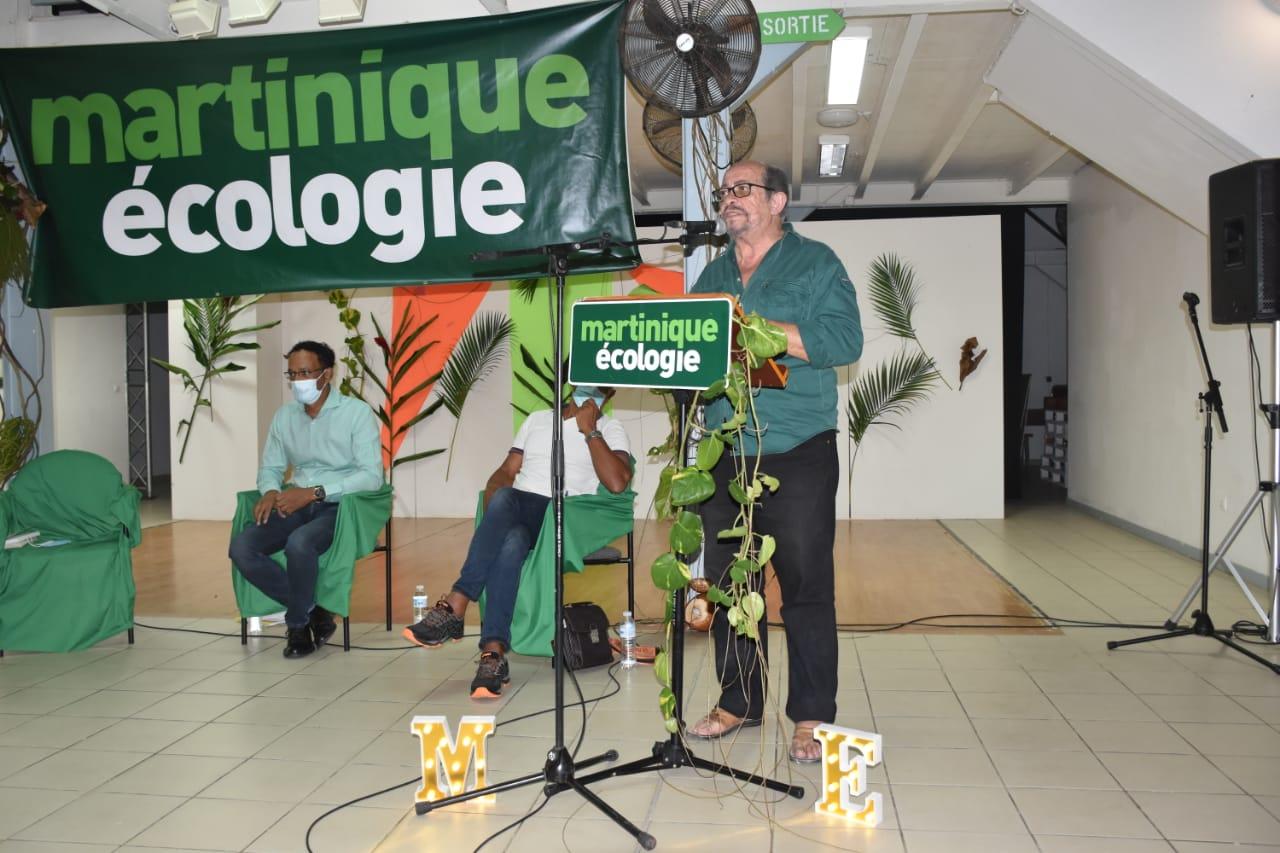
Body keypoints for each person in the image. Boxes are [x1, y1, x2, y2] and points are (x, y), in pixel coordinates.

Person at [687, 161, 863, 763]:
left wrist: (758, 329)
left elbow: (845, 342)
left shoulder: (816, 263)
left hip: (798, 449)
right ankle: (739, 700)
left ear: (778, 201)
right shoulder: (713, 274)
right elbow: (693, 352)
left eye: (743, 189)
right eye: (724, 192)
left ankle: (811, 715)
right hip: (725, 451)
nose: (729, 199)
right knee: (732, 585)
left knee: (805, 588)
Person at [403, 385, 632, 698]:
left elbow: (617, 483)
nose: (592, 390)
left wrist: (590, 430)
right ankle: (493, 654)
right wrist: (494, 502)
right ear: (570, 384)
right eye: (585, 382)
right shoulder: (537, 420)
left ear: (610, 394)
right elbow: (507, 470)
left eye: (601, 386)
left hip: (561, 519)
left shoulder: (610, 428)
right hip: (518, 514)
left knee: (508, 500)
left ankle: (457, 602)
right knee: (510, 539)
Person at [229, 340, 382, 659]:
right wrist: (270, 490)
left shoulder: (356, 413)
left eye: (305, 373)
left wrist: (315, 493)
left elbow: (371, 476)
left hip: (340, 506)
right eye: (293, 374)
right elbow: (271, 467)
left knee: (300, 543)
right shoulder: (284, 417)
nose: (298, 381)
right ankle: (314, 610)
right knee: (242, 547)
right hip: (294, 502)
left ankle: (298, 626)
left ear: (327, 374)